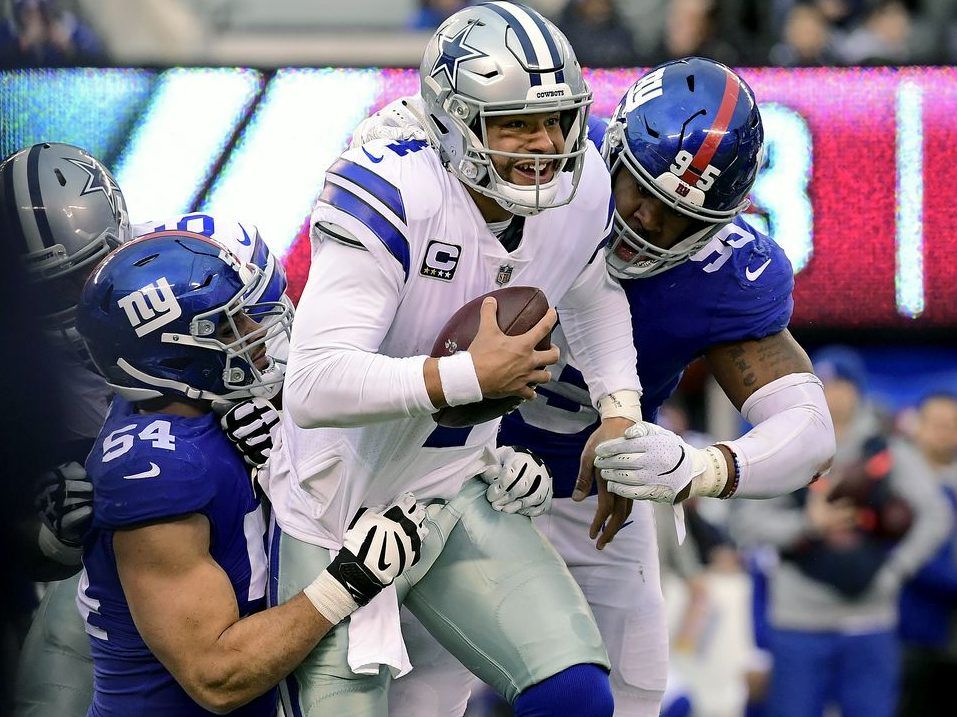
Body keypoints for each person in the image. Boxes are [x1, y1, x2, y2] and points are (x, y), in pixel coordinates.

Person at [353, 56, 836, 716]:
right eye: (636, 187)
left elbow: (809, 432)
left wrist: (699, 466)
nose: (644, 221)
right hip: (450, 466)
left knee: (633, 679)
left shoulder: (724, 274)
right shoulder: (535, 166)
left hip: (590, 487)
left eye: (677, 216)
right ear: (607, 148)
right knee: (421, 680)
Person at [264, 3, 643, 715]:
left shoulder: (582, 178)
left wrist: (619, 408)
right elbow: (311, 384)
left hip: (454, 486)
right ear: (451, 123)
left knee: (577, 695)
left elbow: (592, 288)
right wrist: (468, 377)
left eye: (557, 117)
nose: (544, 143)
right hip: (331, 511)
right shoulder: (394, 187)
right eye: (514, 124)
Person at [73, 230, 428, 716]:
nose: (253, 330)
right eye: (224, 326)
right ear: (172, 355)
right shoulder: (157, 468)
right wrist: (348, 580)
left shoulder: (200, 406)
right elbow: (217, 676)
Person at [732, 348, 950, 717]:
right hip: (798, 618)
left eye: (843, 384)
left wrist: (897, 569)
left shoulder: (886, 450)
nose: (834, 394)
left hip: (869, 617)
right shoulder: (783, 445)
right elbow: (745, 524)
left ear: (858, 390)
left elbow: (936, 515)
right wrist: (807, 524)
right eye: (825, 385)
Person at [896, 392, 957, 717]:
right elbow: (911, 557)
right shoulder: (897, 481)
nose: (945, 433)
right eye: (937, 424)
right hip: (910, 632)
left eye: (952, 425)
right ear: (917, 426)